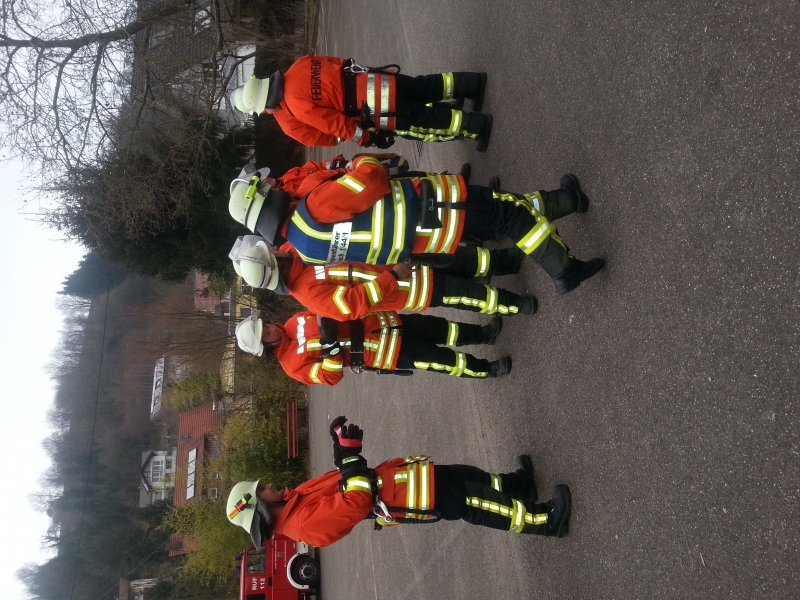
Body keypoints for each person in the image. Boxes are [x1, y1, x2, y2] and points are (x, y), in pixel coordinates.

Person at [229, 155, 605, 296]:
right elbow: (372, 179)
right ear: (268, 201)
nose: (273, 184)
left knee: (504, 209)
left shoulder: (306, 250)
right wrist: (360, 161)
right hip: (436, 208)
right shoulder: (313, 207)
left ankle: (568, 200)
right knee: (513, 216)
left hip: (429, 238)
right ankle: (564, 271)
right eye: (267, 188)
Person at [226, 417, 572, 548]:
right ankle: (545, 521)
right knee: (479, 503)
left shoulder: (295, 499)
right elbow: (355, 502)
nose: (269, 486)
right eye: (262, 490)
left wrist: (340, 447)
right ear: (261, 507)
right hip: (410, 497)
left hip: (406, 480)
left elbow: (341, 480)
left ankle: (519, 486)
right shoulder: (302, 524)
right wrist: (351, 457)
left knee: (472, 476)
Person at [229, 236, 537, 319]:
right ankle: (515, 304)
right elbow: (353, 304)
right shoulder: (308, 293)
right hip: (409, 287)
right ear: (274, 262)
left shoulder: (294, 248)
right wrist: (392, 276)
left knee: (462, 258)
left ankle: (506, 261)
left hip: (400, 256)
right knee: (470, 295)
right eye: (269, 250)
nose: (272, 246)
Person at [230, 56, 493, 151]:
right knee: (423, 86)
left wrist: (366, 139)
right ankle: (472, 83)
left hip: (375, 110)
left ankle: (476, 125)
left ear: (264, 102)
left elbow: (335, 126)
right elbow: (341, 63)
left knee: (423, 121)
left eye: (262, 109)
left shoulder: (295, 108)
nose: (266, 112)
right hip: (374, 80)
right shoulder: (299, 65)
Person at [234, 311, 513, 383]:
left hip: (381, 323)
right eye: (265, 333)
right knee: (442, 360)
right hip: (381, 352)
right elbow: (330, 376)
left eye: (265, 325)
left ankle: (483, 334)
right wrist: (330, 346)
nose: (270, 328)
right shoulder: (292, 367)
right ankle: (486, 369)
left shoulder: (293, 320)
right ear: (265, 346)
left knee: (439, 327)